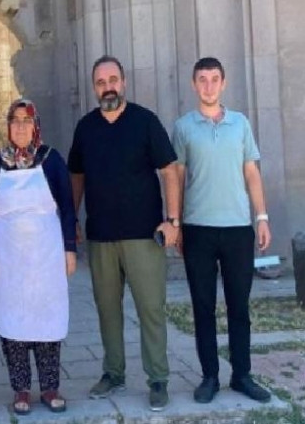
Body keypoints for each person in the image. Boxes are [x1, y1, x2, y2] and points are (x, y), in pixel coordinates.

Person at [68, 55, 180, 411]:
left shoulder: (145, 122)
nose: (108, 88)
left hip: (143, 235)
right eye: (101, 83)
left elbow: (170, 170)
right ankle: (113, 373)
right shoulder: (85, 128)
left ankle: (158, 379)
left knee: (151, 309)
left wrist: (173, 221)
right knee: (107, 310)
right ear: (94, 88)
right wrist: (71, 220)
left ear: (124, 82)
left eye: (113, 80)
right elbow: (76, 176)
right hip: (101, 237)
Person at [172, 57, 272, 404]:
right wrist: (176, 223)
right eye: (202, 79)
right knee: (203, 307)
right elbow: (177, 178)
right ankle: (210, 376)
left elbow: (251, 173)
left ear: (224, 83)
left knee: (238, 306)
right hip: (198, 228)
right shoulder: (183, 127)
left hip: (238, 229)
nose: (209, 86)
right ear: (194, 84)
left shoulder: (240, 124)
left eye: (214, 79)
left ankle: (242, 375)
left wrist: (262, 217)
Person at [0, 99, 77, 415]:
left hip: (46, 254)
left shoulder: (51, 160)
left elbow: (67, 207)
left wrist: (69, 249)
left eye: (26, 120)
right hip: (9, 257)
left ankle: (50, 387)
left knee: (47, 317)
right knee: (14, 320)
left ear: (35, 125)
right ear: (8, 126)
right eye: (15, 120)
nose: (21, 126)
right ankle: (21, 388)